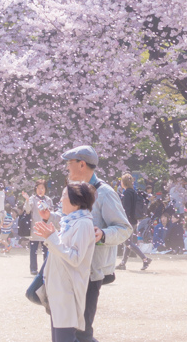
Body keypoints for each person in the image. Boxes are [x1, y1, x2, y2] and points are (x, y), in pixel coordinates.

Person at [38, 145, 132, 342]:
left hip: (89, 271)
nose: (66, 168)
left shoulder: (105, 193)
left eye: (69, 164)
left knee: (81, 331)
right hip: (65, 267)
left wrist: (103, 234)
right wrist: (51, 217)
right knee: (62, 323)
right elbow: (67, 219)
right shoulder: (73, 190)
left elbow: (125, 228)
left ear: (82, 164)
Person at [33, 181, 97, 342]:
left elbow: (75, 258)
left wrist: (51, 238)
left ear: (76, 200)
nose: (60, 200)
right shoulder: (70, 221)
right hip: (59, 291)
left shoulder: (83, 223)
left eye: (64, 196)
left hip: (67, 292)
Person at [117, 173, 151, 271]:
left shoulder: (127, 193)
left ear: (123, 182)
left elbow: (126, 209)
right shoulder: (134, 192)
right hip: (134, 220)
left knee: (127, 242)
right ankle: (123, 263)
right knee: (128, 242)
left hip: (128, 220)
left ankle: (145, 259)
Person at [23, 180, 54, 275]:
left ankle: (46, 268)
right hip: (35, 228)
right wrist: (27, 200)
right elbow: (27, 211)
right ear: (35, 189)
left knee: (46, 250)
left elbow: (52, 213)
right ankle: (33, 269)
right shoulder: (32, 199)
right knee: (33, 250)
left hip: (46, 228)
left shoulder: (48, 200)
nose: (40, 190)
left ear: (45, 189)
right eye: (38, 188)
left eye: (42, 188)